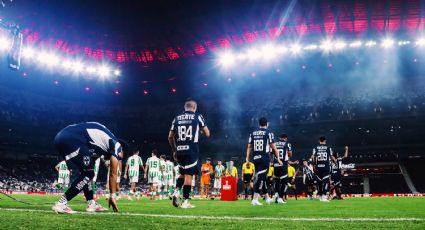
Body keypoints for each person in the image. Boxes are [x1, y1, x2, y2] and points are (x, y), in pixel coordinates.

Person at [52, 122, 128, 214]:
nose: (118, 159)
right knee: (89, 173)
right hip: (72, 139)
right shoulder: (117, 146)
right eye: (120, 158)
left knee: (87, 173)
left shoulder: (102, 144)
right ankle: (61, 204)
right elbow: (113, 173)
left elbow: (90, 166)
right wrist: (112, 195)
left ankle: (91, 203)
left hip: (62, 137)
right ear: (122, 151)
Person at [168, 98, 210, 208]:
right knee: (188, 176)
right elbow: (207, 133)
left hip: (180, 150)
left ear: (184, 107)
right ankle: (186, 201)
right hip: (191, 149)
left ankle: (176, 191)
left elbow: (170, 137)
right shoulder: (197, 116)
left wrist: (174, 150)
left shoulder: (177, 118)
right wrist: (200, 130)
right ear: (194, 108)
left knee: (182, 173)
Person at [246, 117, 282, 206]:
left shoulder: (252, 133)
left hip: (255, 158)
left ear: (259, 124)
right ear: (267, 124)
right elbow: (274, 147)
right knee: (261, 178)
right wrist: (278, 158)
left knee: (263, 178)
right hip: (264, 158)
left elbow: (249, 147)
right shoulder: (268, 133)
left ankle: (267, 198)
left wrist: (247, 159)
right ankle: (254, 199)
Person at [311, 136, 336, 202]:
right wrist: (335, 162)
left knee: (319, 182)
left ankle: (320, 196)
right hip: (326, 167)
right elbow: (331, 157)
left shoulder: (315, 148)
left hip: (318, 167)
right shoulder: (328, 148)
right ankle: (324, 196)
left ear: (319, 141)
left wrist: (313, 165)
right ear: (325, 141)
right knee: (326, 182)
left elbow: (313, 157)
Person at [273, 134, 293, 204]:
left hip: (275, 164)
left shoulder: (274, 144)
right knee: (283, 182)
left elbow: (270, 152)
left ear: (279, 138)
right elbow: (290, 154)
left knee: (277, 181)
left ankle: (276, 194)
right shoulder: (287, 144)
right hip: (283, 164)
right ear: (286, 138)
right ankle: (280, 198)